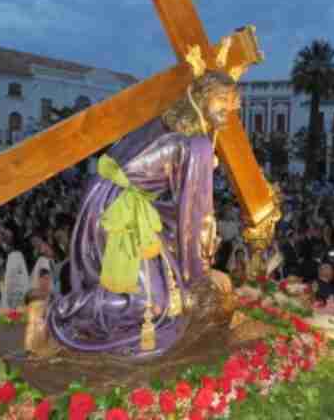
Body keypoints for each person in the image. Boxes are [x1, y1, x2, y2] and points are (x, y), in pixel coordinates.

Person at [47, 70, 240, 357]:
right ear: (201, 97)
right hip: (119, 210)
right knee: (151, 305)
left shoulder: (167, 122)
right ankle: (58, 312)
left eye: (235, 101)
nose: (230, 108)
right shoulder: (196, 143)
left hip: (107, 200)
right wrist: (199, 278)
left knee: (156, 273)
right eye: (222, 99)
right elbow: (195, 217)